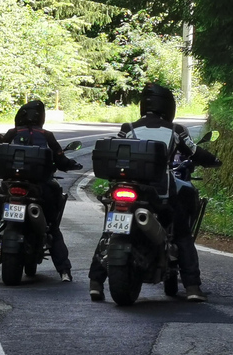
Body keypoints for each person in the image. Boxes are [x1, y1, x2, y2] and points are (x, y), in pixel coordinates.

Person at [88, 83, 222, 302]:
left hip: (126, 189)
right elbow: (194, 152)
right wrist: (214, 161)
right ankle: (192, 288)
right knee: (181, 235)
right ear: (168, 106)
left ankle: (95, 283)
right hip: (161, 194)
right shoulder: (175, 130)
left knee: (109, 232)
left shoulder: (128, 127)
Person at [0, 100, 83, 281]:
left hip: (11, 186)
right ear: (41, 118)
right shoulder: (47, 135)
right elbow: (60, 160)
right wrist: (71, 164)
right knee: (52, 227)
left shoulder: (12, 133)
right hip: (41, 186)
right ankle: (64, 271)